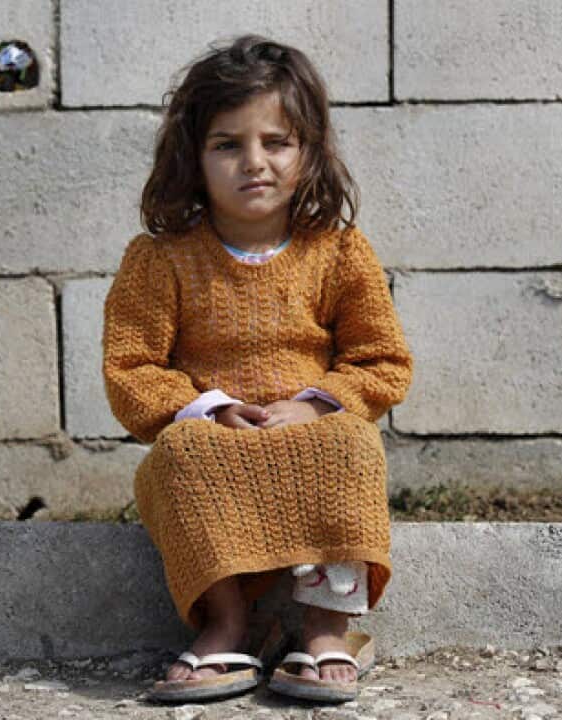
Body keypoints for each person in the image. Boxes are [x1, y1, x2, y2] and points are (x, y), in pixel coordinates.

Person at [101, 35, 412, 704]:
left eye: (277, 142)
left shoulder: (339, 253)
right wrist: (208, 408)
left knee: (354, 441)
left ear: (309, 153)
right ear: (194, 154)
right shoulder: (159, 261)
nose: (254, 163)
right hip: (216, 439)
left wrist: (316, 403)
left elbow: (380, 360)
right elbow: (131, 368)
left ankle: (327, 625)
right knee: (180, 453)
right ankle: (228, 619)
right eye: (227, 144)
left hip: (310, 432)